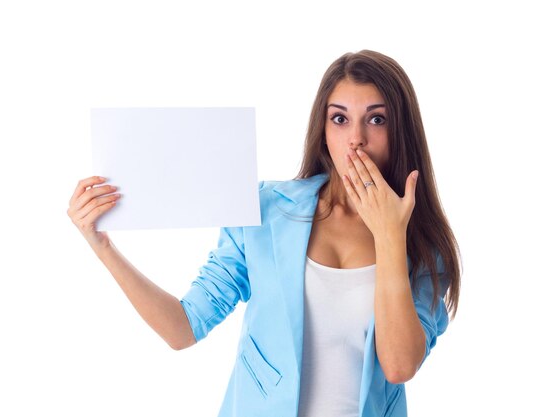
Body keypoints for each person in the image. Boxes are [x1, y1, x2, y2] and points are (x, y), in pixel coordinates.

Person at [67, 50, 461, 417]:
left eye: (376, 119)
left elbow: (399, 365)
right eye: (339, 118)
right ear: (323, 129)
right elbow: (183, 328)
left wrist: (391, 235)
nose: (356, 138)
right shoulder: (267, 210)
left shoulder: (423, 245)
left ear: (400, 131)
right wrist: (102, 247)